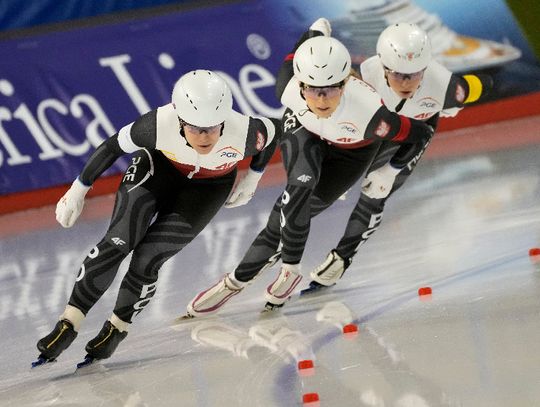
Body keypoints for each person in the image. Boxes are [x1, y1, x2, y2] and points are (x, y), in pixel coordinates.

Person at [183, 18, 436, 318]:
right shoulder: (286, 87)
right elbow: (302, 44)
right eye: (313, 89)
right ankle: (281, 272)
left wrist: (389, 170)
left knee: (282, 219)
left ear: (345, 84)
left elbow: (421, 134)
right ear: (300, 84)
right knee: (299, 188)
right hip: (307, 132)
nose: (321, 99)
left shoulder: (372, 115)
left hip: (352, 153)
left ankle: (239, 279)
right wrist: (317, 32)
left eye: (330, 90)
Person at [33, 70, 279, 366]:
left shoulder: (244, 132)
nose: (205, 137)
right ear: (179, 120)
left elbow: (274, 132)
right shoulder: (156, 124)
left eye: (212, 128)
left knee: (149, 258)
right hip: (157, 170)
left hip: (208, 189)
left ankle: (116, 329)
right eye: (195, 128)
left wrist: (253, 177)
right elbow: (112, 146)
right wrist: (78, 189)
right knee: (118, 241)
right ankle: (68, 323)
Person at [303, 23, 493, 293]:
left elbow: (484, 84)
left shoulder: (446, 87)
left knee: (376, 192)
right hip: (372, 131)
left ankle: (342, 257)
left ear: (426, 68)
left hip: (412, 136)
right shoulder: (365, 75)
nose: (406, 83)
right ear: (382, 67)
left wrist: (391, 171)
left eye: (414, 75)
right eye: (398, 74)